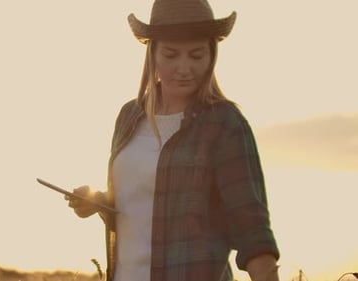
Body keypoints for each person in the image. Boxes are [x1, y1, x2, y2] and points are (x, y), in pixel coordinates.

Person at [65, 0, 280, 280]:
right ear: (152, 53)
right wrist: (97, 202)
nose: (183, 67)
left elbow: (252, 228)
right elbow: (143, 209)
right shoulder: (129, 116)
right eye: (171, 55)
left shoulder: (225, 124)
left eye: (196, 55)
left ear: (212, 54)